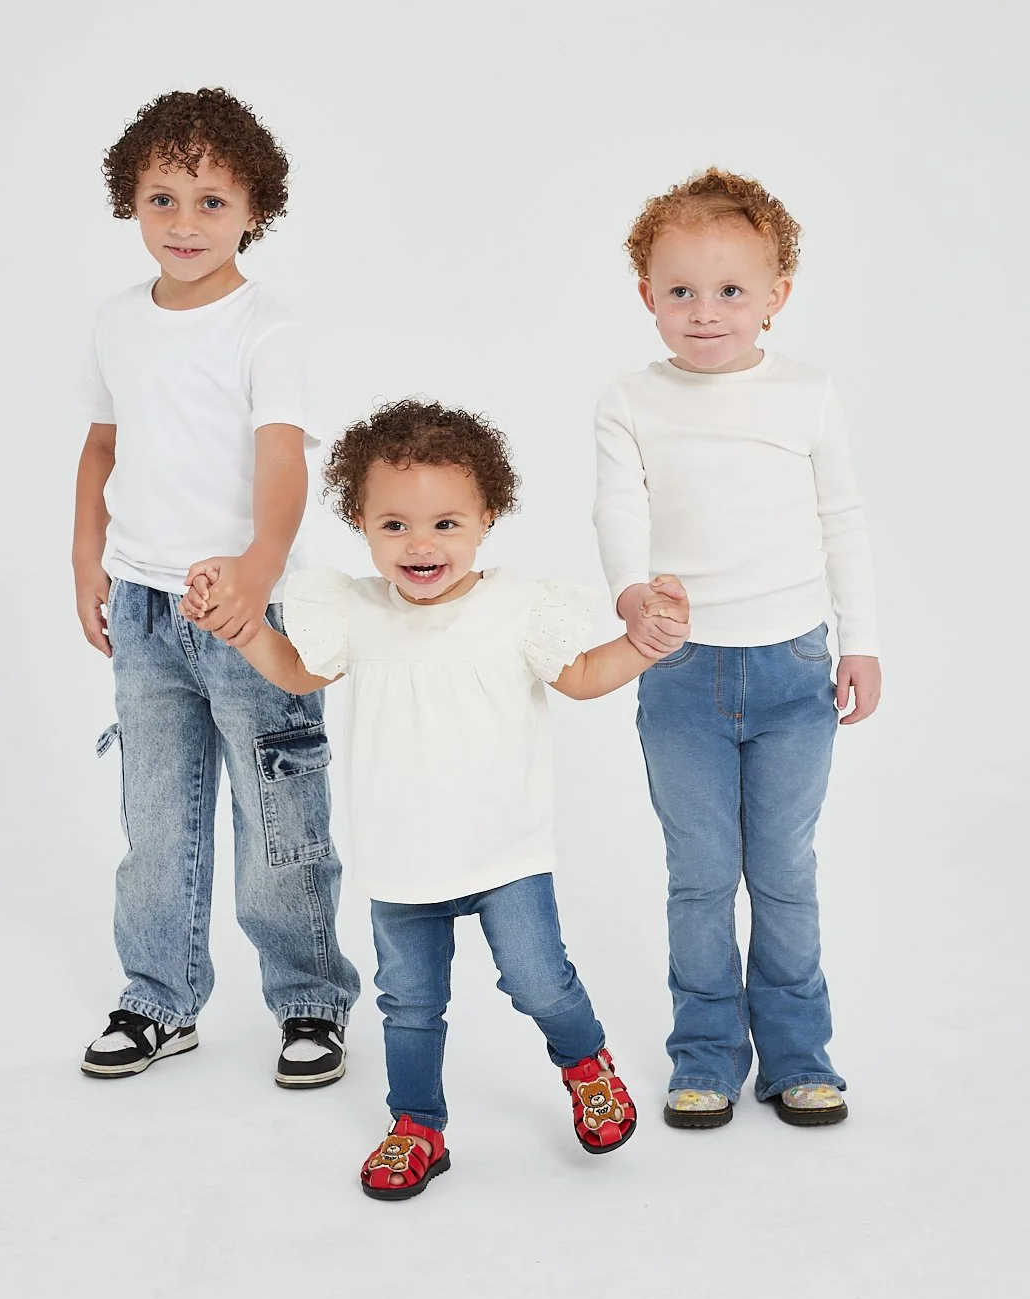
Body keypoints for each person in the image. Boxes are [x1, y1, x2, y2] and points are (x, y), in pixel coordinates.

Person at [182, 399, 691, 1197]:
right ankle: (417, 1124)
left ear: (488, 516)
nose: (421, 546)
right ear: (361, 521)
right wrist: (242, 630)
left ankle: (585, 1061)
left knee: (539, 980)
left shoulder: (517, 606)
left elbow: (584, 678)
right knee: (409, 1006)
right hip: (402, 858)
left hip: (505, 852)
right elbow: (296, 673)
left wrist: (643, 644)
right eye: (395, 526)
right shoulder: (354, 609)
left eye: (447, 524)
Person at [73, 87, 359, 1086]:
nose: (183, 223)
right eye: (161, 198)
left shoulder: (263, 326)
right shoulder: (118, 321)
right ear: (131, 203)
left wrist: (257, 572)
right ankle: (157, 994)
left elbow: (282, 462)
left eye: (209, 200)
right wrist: (87, 562)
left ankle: (311, 999)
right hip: (146, 608)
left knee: (281, 821)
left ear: (253, 209)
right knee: (156, 814)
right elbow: (102, 446)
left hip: (250, 612)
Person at [594, 168, 881, 1128]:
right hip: (679, 672)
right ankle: (707, 1052)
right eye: (679, 291)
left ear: (775, 299)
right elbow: (618, 505)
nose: (705, 312)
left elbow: (843, 518)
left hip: (796, 669)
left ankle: (800, 1053)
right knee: (702, 876)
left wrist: (862, 642)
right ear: (647, 297)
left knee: (785, 873)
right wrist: (634, 594)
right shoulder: (633, 399)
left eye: (729, 292)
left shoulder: (806, 393)